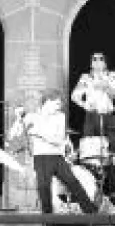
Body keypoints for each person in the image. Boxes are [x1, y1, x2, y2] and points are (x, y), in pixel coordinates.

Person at [9, 89, 98, 218]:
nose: (59, 106)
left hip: (57, 157)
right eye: (57, 103)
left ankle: (91, 212)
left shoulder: (60, 117)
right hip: (41, 157)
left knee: (73, 182)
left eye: (60, 104)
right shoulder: (32, 116)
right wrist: (18, 119)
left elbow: (59, 139)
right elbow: (13, 135)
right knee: (44, 188)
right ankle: (48, 220)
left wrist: (38, 132)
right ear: (47, 102)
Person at [71, 52, 115, 137]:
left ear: (105, 63)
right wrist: (85, 105)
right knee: (90, 144)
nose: (97, 61)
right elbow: (74, 96)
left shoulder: (112, 76)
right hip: (91, 115)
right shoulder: (85, 77)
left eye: (101, 59)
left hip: (107, 115)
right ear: (91, 64)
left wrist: (106, 87)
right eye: (94, 59)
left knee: (108, 144)